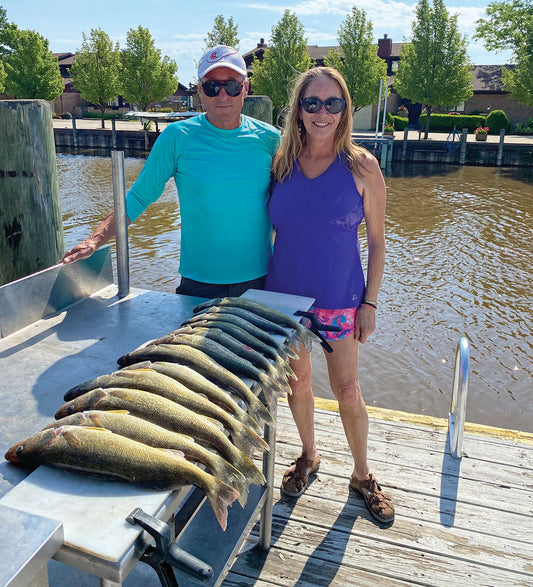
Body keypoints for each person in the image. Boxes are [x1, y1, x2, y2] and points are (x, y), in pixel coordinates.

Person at [265, 67, 394, 524]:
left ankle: (362, 475)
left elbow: (378, 241)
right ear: (298, 110)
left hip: (341, 301)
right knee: (298, 385)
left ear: (346, 110)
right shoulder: (280, 162)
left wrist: (370, 302)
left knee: (347, 390)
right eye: (312, 103)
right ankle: (309, 455)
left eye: (333, 103)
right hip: (285, 303)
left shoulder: (363, 167)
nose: (322, 112)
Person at [62, 45, 280, 299]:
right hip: (199, 283)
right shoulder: (176, 137)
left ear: (245, 87)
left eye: (232, 85)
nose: (223, 95)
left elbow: (289, 206)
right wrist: (95, 240)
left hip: (261, 280)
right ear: (200, 90)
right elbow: (140, 196)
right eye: (212, 86)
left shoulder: (270, 138)